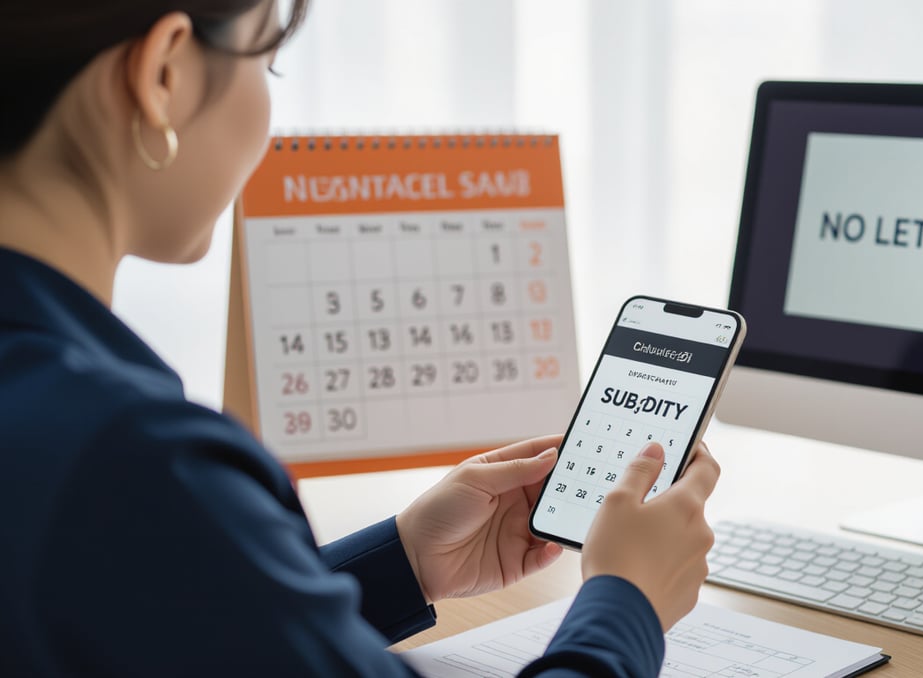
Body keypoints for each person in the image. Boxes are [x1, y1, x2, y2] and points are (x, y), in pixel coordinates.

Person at [0, 2, 721, 676]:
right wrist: (628, 601)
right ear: (163, 74)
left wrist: (399, 562)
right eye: (268, 61)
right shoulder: (134, 461)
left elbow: (162, 619)